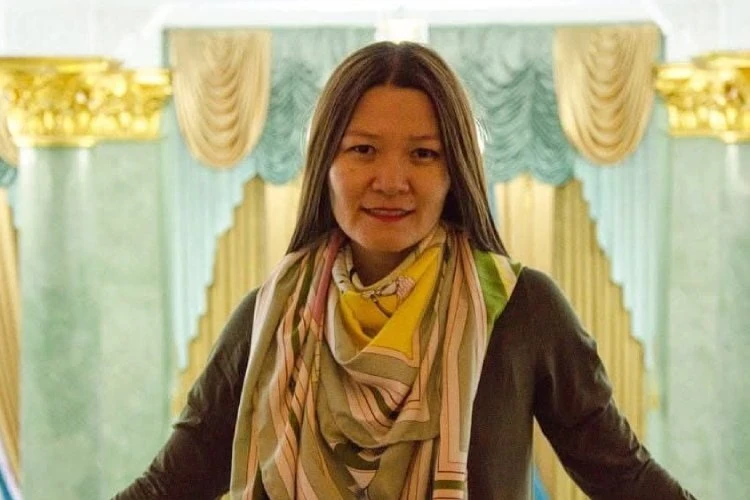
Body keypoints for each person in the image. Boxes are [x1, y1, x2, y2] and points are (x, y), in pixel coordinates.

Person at [115, 41, 695, 500]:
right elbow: (170, 485)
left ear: (455, 171)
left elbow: (626, 478)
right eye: (363, 150)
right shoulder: (269, 319)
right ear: (325, 166)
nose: (391, 181)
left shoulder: (521, 309)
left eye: (423, 154)